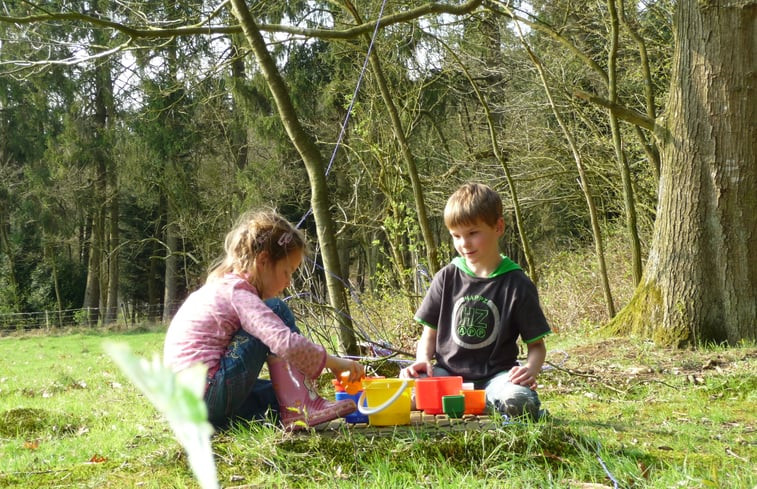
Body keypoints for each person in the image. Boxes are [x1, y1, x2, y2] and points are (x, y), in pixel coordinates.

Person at [164, 209, 364, 430]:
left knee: (275, 395)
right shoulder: (238, 293)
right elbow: (284, 343)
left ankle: (291, 408)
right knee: (275, 309)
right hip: (207, 393)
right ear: (264, 261)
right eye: (287, 272)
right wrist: (335, 363)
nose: (288, 283)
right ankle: (301, 405)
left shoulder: (222, 286)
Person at [400, 183, 551, 420]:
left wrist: (529, 370)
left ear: (498, 227)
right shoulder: (446, 277)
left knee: (519, 401)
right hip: (446, 376)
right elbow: (428, 335)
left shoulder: (517, 283)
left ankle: (481, 404)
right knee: (407, 390)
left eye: (473, 233)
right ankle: (472, 405)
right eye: (456, 236)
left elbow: (537, 346)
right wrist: (421, 362)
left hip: (497, 378)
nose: (464, 244)